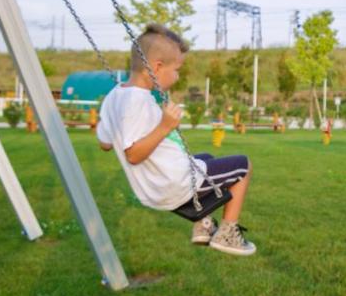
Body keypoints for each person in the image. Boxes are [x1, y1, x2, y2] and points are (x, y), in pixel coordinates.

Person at [96, 24, 255, 256]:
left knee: (206, 158)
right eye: (177, 69)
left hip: (154, 187)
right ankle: (228, 234)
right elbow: (133, 155)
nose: (178, 76)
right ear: (157, 67)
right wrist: (164, 126)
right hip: (171, 184)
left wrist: (151, 124)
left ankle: (203, 226)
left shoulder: (115, 97)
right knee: (243, 165)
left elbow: (105, 144)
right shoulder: (136, 101)